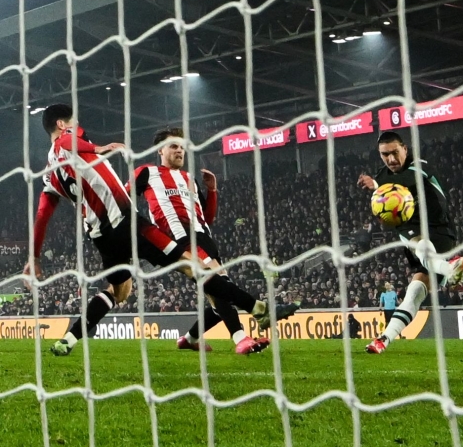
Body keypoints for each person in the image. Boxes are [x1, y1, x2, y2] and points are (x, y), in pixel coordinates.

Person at [24, 105, 275, 356]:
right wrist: (97, 148)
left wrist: (34, 257)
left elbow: (42, 215)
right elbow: (67, 142)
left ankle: (69, 339)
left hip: (102, 235)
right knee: (198, 268)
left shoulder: (50, 175)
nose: (78, 127)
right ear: (61, 124)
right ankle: (257, 312)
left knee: (119, 292)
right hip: (127, 222)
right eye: (73, 122)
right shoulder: (77, 144)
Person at [131, 128, 298, 354]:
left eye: (181, 147)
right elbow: (123, 197)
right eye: (173, 146)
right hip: (178, 238)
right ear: (160, 150)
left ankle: (189, 339)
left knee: (217, 292)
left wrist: (212, 190)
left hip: (204, 237)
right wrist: (142, 227)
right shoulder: (147, 173)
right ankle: (246, 330)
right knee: (218, 283)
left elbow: (207, 217)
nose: (180, 151)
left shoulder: (189, 178)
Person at [357, 131, 463, 354]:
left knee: (423, 249)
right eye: (385, 155)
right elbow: (382, 211)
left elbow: (408, 179)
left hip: (439, 229)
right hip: (410, 229)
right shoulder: (383, 176)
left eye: (395, 152)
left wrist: (376, 184)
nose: (391, 159)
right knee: (415, 291)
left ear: (405, 148)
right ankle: (384, 339)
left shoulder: (419, 165)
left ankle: (450, 268)